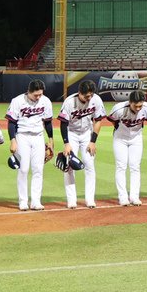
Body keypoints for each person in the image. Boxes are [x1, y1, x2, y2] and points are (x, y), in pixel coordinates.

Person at [57, 79, 106, 209]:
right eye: (86, 96)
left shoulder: (96, 100)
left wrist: (93, 141)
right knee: (69, 166)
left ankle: (90, 199)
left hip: (86, 133)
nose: (89, 98)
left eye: (91, 95)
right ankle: (71, 200)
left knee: (89, 165)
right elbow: (63, 124)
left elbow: (98, 120)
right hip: (71, 133)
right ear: (79, 92)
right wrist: (66, 143)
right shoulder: (69, 102)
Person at [6, 79, 54, 211]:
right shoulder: (17, 101)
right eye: (36, 95)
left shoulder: (45, 101)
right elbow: (11, 122)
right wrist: (13, 140)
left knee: (38, 169)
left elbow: (48, 121)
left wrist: (50, 139)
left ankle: (36, 201)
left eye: (40, 94)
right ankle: (23, 201)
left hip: (38, 136)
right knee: (23, 169)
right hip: (22, 136)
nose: (38, 97)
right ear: (29, 91)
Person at [106, 90, 147, 206]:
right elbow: (112, 120)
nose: (138, 108)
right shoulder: (119, 109)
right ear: (130, 102)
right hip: (120, 139)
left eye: (140, 106)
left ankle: (134, 197)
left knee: (135, 167)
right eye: (135, 106)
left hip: (136, 139)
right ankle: (122, 197)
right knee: (121, 166)